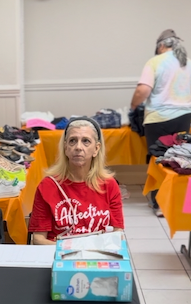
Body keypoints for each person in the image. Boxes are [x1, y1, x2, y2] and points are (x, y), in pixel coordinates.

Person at [29, 117, 124, 245]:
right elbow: (38, 239)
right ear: (65, 147)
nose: (78, 147)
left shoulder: (109, 185)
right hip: (59, 256)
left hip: (95, 256)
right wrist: (73, 249)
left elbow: (117, 234)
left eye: (86, 141)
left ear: (96, 149)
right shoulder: (48, 186)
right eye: (73, 141)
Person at [130, 29, 191, 215]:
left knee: (158, 159)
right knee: (179, 159)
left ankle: (159, 204)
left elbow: (142, 91)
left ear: (161, 46)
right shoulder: (187, 63)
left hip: (159, 119)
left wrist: (133, 107)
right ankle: (178, 203)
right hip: (184, 117)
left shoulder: (155, 62)